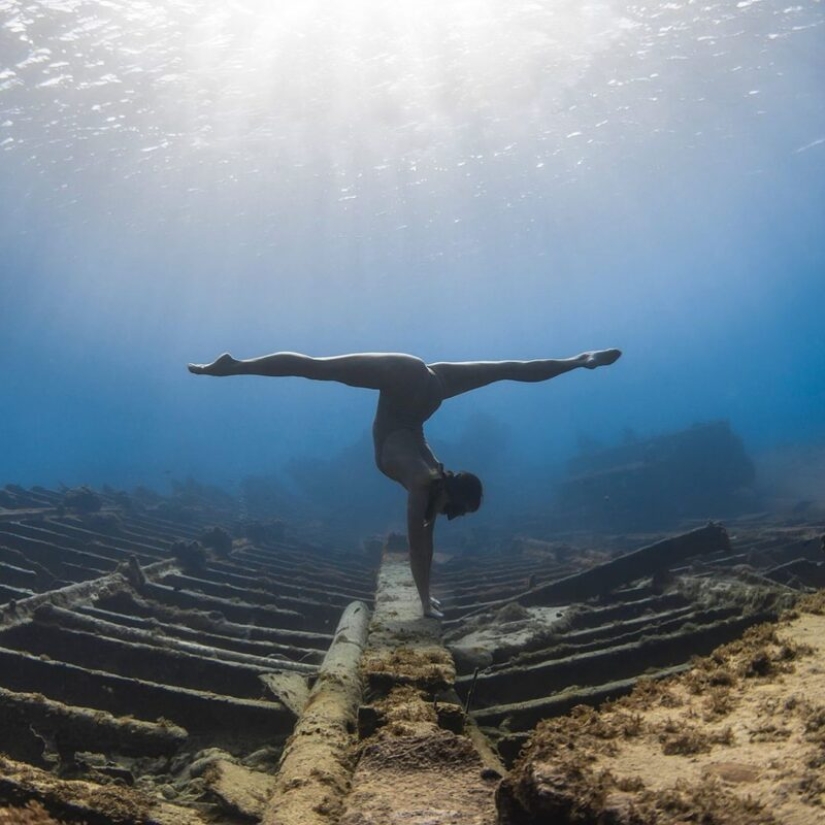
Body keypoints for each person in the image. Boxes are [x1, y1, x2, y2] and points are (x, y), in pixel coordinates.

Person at [188, 349, 622, 617]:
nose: (448, 515)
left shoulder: (432, 469)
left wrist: (426, 594)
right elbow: (419, 544)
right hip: (409, 383)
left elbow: (426, 504)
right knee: (317, 368)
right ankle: (233, 367)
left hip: (431, 386)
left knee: (509, 368)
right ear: (451, 493)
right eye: (457, 509)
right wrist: (424, 602)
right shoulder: (421, 480)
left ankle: (578, 360)